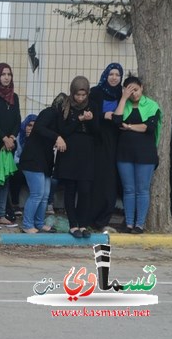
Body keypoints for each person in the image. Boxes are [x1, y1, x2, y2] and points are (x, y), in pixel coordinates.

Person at [113, 76, 161, 234]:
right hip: (125, 153)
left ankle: (139, 224)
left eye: (136, 89)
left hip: (145, 154)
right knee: (128, 189)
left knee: (142, 189)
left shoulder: (151, 105)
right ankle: (129, 223)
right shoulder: (123, 103)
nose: (134, 93)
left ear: (142, 87)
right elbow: (117, 121)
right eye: (130, 90)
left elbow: (149, 127)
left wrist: (129, 127)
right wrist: (123, 98)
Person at [54, 76, 99, 238]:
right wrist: (79, 119)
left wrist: (91, 120)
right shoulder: (65, 106)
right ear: (72, 93)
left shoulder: (92, 106)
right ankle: (73, 225)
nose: (80, 98)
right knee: (70, 190)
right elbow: (63, 130)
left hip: (86, 154)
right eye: (77, 95)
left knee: (85, 190)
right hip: (69, 153)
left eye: (83, 95)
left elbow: (97, 131)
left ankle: (83, 224)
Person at [18, 94, 67, 233]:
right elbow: (38, 128)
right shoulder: (49, 113)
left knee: (44, 195)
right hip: (33, 160)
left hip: (44, 161)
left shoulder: (58, 118)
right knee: (37, 194)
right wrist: (56, 137)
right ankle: (27, 225)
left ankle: (39, 223)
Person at [88, 62, 124, 232]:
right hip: (97, 140)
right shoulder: (96, 92)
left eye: (117, 75)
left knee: (110, 181)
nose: (114, 78)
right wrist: (104, 115)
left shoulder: (121, 94)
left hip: (115, 141)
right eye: (111, 74)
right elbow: (90, 115)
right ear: (105, 75)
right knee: (96, 180)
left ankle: (104, 220)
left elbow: (121, 119)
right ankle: (91, 218)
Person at [0, 62, 21, 230]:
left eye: (9, 74)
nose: (6, 77)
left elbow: (17, 120)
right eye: (3, 74)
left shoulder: (15, 97)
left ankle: (1, 214)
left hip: (9, 145)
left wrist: (12, 137)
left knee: (5, 180)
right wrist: (4, 138)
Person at [10, 114, 37, 215]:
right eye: (29, 125)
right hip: (20, 164)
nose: (31, 128)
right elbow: (15, 156)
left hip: (34, 166)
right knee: (17, 173)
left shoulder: (39, 138)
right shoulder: (18, 137)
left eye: (34, 126)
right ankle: (15, 203)